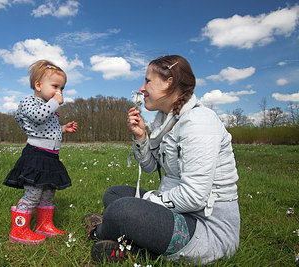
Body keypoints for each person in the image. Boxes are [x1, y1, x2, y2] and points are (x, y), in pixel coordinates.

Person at [83, 55, 240, 264]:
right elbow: (150, 167)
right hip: (178, 210)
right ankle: (130, 239)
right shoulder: (166, 119)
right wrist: (141, 137)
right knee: (114, 194)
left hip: (205, 226)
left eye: (148, 81)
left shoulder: (200, 122)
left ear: (169, 81)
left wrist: (146, 203)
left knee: (123, 209)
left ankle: (101, 231)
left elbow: (194, 196)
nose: (142, 88)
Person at [3, 59, 78, 245]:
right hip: (35, 155)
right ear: (38, 85)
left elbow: (46, 130)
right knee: (33, 193)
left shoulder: (48, 107)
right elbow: (38, 117)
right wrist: (54, 102)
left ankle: (43, 225)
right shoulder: (29, 102)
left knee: (48, 192)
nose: (59, 92)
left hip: (50, 157)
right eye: (55, 86)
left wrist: (63, 129)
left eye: (62, 88)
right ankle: (18, 230)